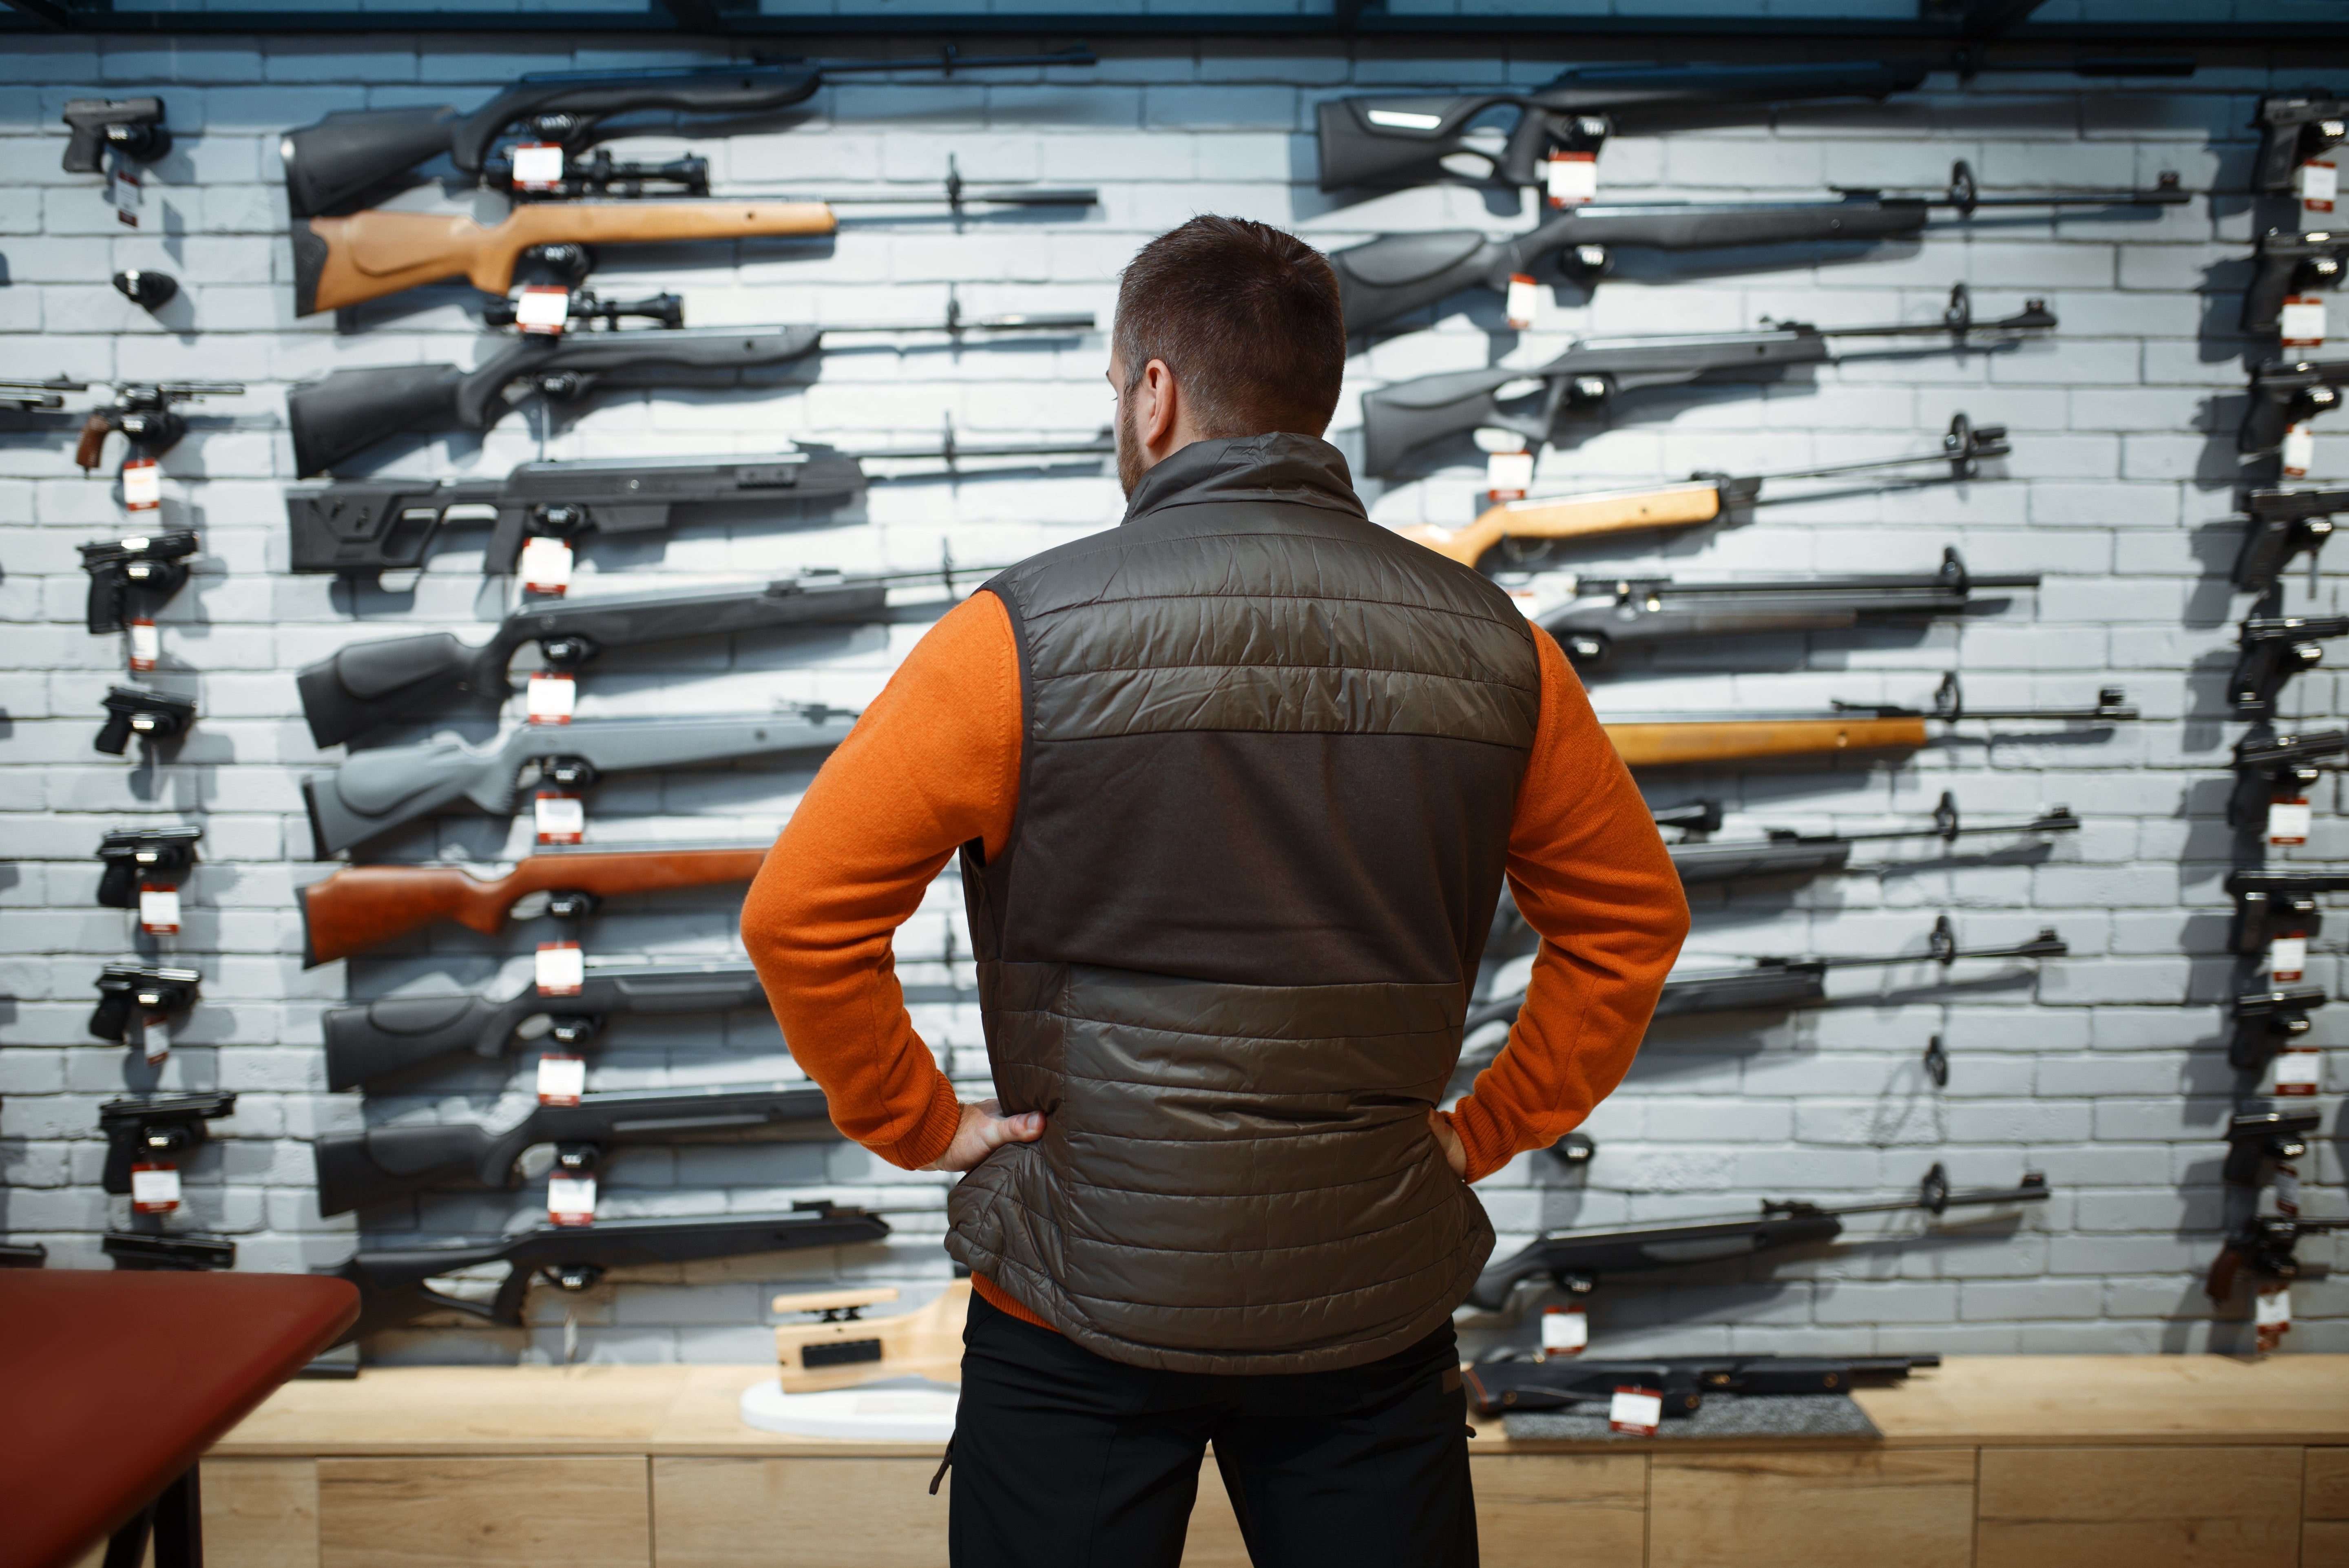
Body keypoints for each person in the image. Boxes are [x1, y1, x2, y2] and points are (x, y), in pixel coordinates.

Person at [741, 215, 1688, 1568]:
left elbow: (799, 916)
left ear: (1154, 390)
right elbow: (1631, 925)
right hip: (1367, 1308)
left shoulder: (1016, 638)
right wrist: (1481, 1133)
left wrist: (924, 1124)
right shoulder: (1504, 652)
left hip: (1076, 1297)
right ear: (1323, 395)